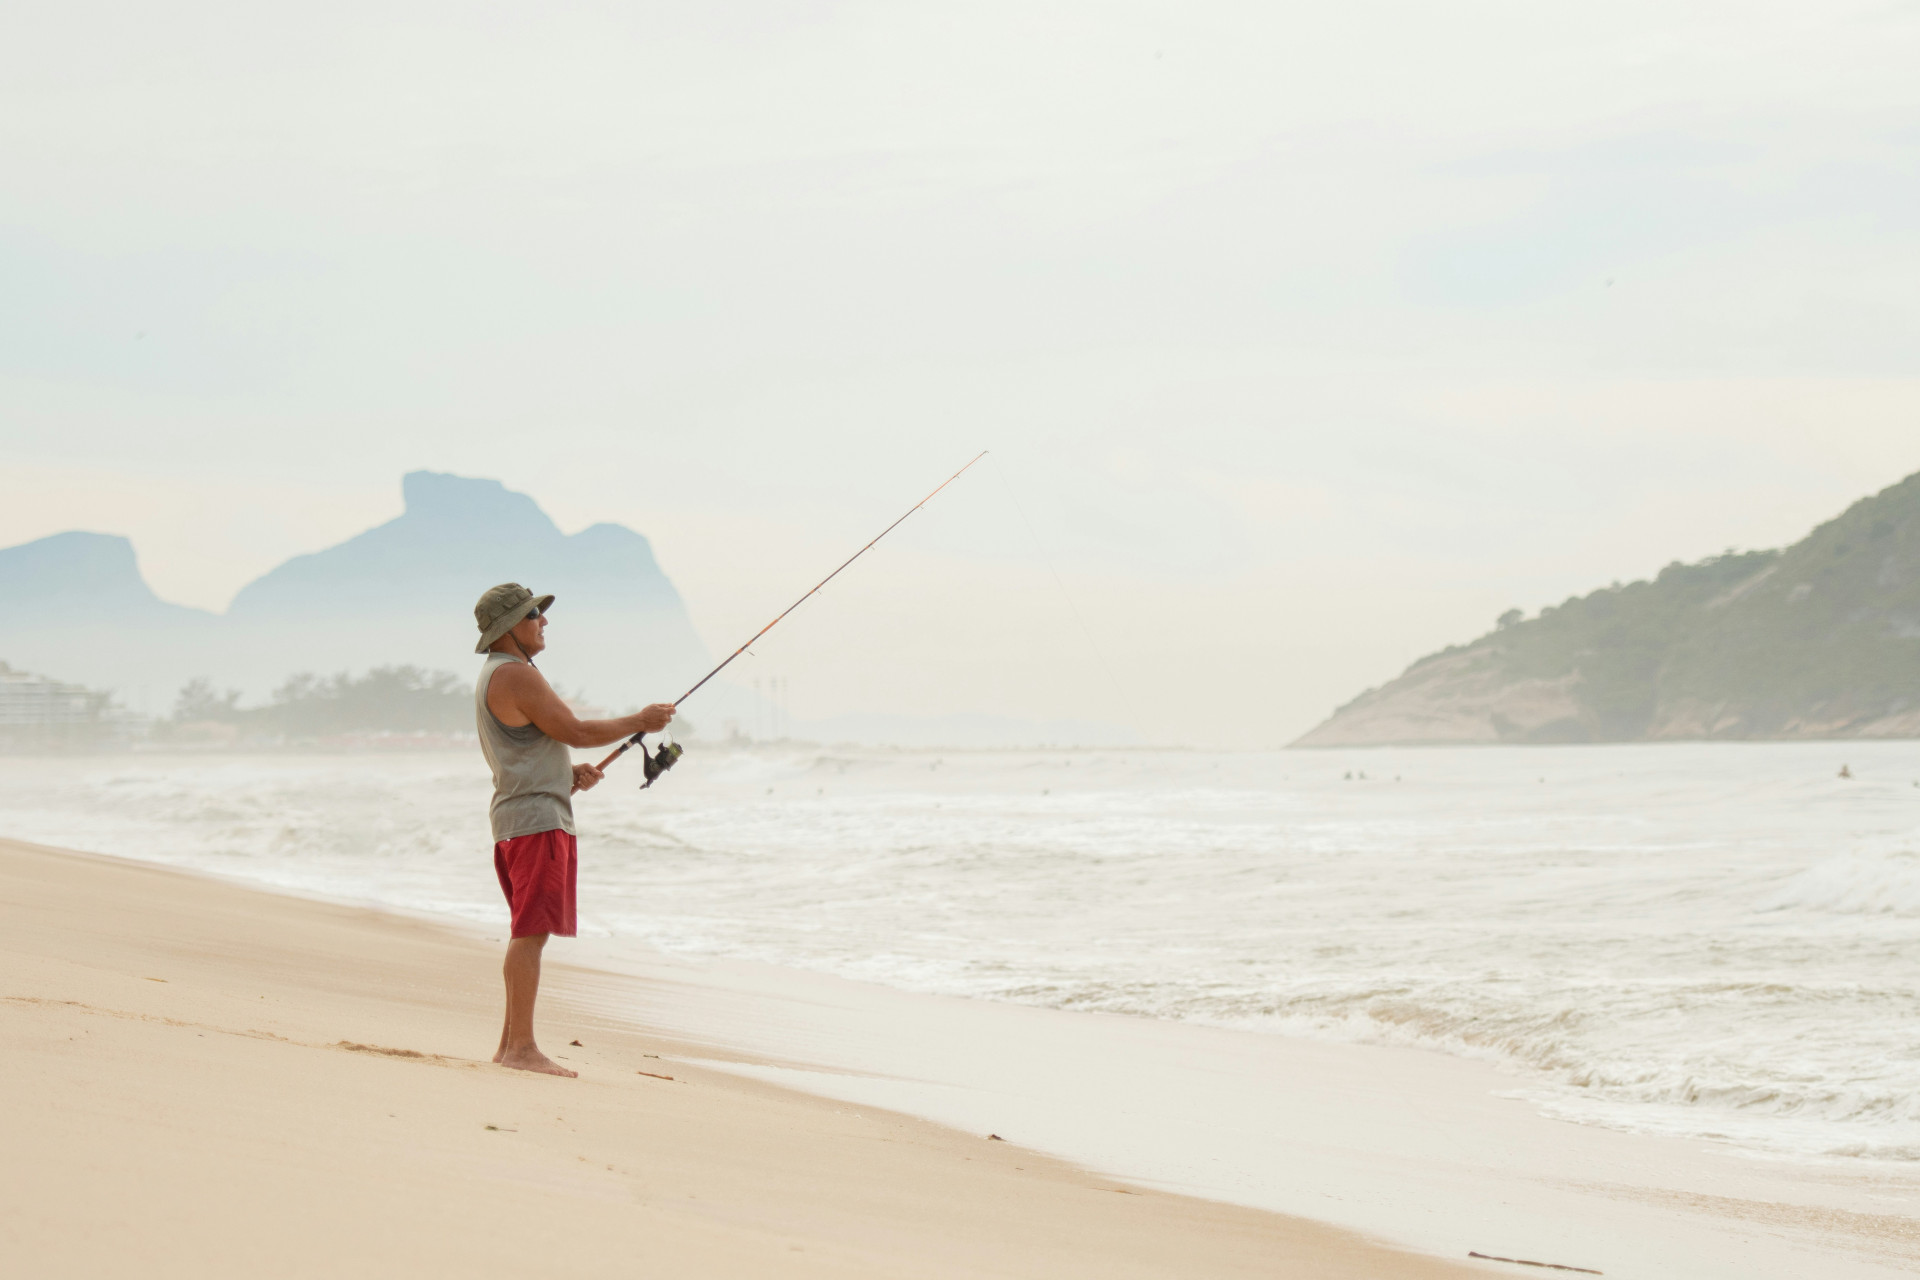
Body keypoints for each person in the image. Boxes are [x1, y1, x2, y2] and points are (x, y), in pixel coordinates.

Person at [472, 583, 674, 1076]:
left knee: (528, 932)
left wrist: (564, 775)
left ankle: (509, 1047)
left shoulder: (499, 674)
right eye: (533, 615)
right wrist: (641, 720)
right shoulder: (514, 674)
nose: (543, 621)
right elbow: (577, 731)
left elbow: (525, 749)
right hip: (534, 823)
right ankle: (521, 1049)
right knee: (530, 933)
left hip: (521, 817)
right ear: (509, 628)